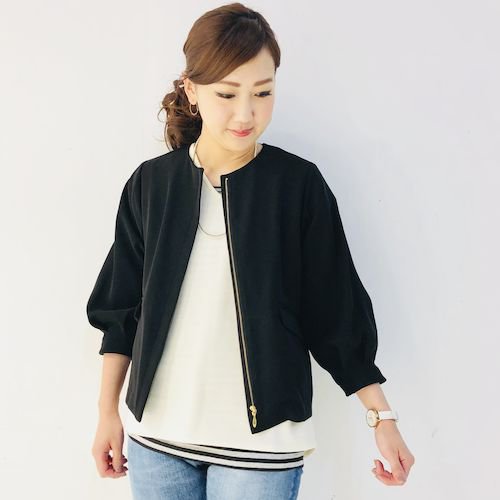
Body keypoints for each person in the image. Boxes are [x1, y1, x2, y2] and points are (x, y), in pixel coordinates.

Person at [87, 2, 415, 498]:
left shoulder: (297, 186)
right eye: (227, 93)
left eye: (263, 92)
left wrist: (381, 416)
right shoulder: (152, 185)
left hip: (262, 450)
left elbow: (334, 311)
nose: (247, 113)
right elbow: (120, 310)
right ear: (192, 90)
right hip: (157, 440)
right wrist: (106, 413)